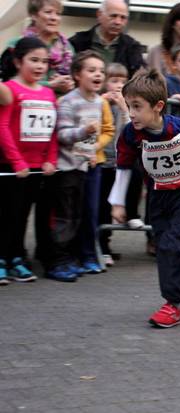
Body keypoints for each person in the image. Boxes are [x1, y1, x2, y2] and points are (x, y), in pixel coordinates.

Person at [109, 68, 180, 328]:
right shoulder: (130, 135)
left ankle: (172, 305)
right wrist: (117, 202)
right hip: (158, 197)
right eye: (129, 106)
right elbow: (124, 167)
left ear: (158, 106)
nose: (132, 113)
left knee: (172, 247)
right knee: (165, 250)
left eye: (137, 106)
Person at [49, 50, 114, 280]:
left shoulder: (98, 101)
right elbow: (63, 135)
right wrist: (83, 132)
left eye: (101, 71)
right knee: (65, 216)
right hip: (66, 168)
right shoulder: (68, 101)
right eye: (91, 70)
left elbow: (95, 138)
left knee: (79, 215)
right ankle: (58, 261)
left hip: (85, 166)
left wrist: (92, 150)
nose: (98, 75)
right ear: (77, 74)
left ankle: (74, 258)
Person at [0, 37, 58, 284]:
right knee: (6, 215)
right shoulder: (10, 89)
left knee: (23, 215)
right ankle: (1, 258)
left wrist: (50, 159)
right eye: (33, 60)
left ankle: (16, 258)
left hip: (37, 168)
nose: (40, 66)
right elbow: (2, 127)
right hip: (13, 168)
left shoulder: (48, 92)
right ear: (17, 61)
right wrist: (16, 161)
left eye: (44, 61)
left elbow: (53, 130)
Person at [4, 0, 75, 95]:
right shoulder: (16, 44)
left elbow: (74, 79)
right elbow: (9, 82)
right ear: (34, 15)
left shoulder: (67, 48)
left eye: (58, 14)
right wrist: (50, 85)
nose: (54, 18)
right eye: (48, 12)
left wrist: (69, 84)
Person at [98, 62, 129, 267]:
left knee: (109, 205)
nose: (118, 86)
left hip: (115, 162)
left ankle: (105, 244)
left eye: (122, 82)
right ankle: (97, 245)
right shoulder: (99, 102)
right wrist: (102, 101)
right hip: (100, 159)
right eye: (114, 81)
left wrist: (123, 106)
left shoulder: (122, 104)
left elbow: (130, 127)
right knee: (98, 206)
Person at [68, 0, 146, 76]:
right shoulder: (77, 43)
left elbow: (139, 79)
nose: (118, 22)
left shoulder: (132, 47)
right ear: (99, 15)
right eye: (113, 16)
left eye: (123, 18)